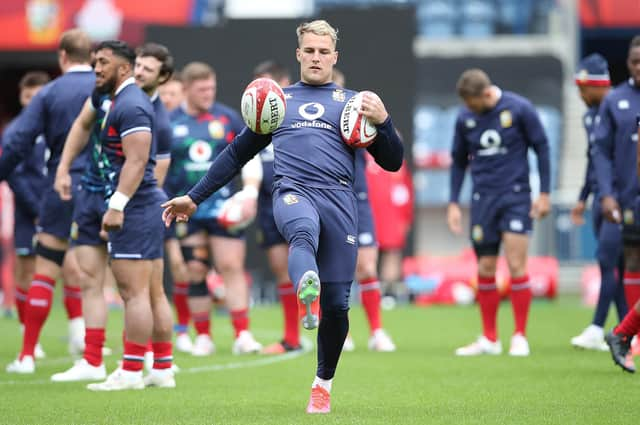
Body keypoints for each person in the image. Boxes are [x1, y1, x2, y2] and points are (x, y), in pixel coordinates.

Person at [161, 20, 403, 413]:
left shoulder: (353, 102)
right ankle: (307, 288)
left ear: (334, 57)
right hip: (293, 193)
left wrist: (385, 122)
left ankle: (322, 383)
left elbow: (392, 162)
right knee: (301, 231)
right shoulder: (276, 101)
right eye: (309, 50)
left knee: (339, 305)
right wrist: (193, 196)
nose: (316, 57)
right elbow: (236, 154)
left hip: (340, 201)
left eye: (323, 52)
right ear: (299, 54)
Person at [50, 42, 176, 387]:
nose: (96, 68)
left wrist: (117, 205)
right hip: (97, 197)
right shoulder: (108, 96)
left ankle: (134, 370)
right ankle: (137, 366)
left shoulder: (135, 106)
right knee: (97, 280)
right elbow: (81, 125)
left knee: (138, 291)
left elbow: (139, 163)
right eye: (95, 62)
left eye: (103, 63)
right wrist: (63, 169)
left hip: (133, 205)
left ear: (124, 68)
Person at [1, 29, 95, 373]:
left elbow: (16, 142)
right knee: (111, 273)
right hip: (104, 188)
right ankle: (130, 358)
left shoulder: (51, 92)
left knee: (45, 271)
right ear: (93, 55)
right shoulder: (110, 91)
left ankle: (26, 355)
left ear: (62, 57)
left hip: (62, 185)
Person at [447, 68, 551, 357]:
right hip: (482, 200)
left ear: (486, 94)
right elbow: (457, 161)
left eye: (472, 103)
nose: (469, 109)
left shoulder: (519, 109)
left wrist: (544, 193)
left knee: (517, 264)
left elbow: (542, 147)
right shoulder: (464, 117)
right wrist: (454, 202)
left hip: (515, 197)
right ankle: (490, 338)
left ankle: (520, 335)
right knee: (485, 269)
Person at [163, 61, 263, 356]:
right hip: (187, 209)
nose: (208, 93)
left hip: (222, 207)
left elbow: (249, 155)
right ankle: (203, 336)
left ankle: (242, 334)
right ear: (186, 89)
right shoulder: (169, 122)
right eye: (201, 89)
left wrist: (249, 193)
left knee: (231, 266)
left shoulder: (228, 118)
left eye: (211, 88)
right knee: (195, 270)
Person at [570, 53, 627, 351]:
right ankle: (623, 330)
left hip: (618, 197)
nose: (580, 95)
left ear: (597, 85)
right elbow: (595, 159)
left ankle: (597, 327)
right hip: (598, 196)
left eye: (582, 88)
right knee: (612, 265)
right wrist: (582, 197)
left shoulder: (619, 107)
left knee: (610, 262)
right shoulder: (590, 115)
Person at [596, 36, 640, 371]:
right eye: (635, 61)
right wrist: (607, 193)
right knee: (624, 260)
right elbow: (601, 152)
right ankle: (625, 332)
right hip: (627, 198)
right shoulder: (616, 101)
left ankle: (624, 333)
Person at [1, 71, 51, 360]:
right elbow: (14, 175)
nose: (33, 101)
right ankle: (27, 332)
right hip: (28, 211)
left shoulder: (63, 125)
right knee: (27, 270)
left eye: (38, 95)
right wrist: (35, 209)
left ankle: (77, 333)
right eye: (28, 96)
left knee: (73, 269)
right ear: (21, 98)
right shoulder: (16, 131)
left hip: (58, 208)